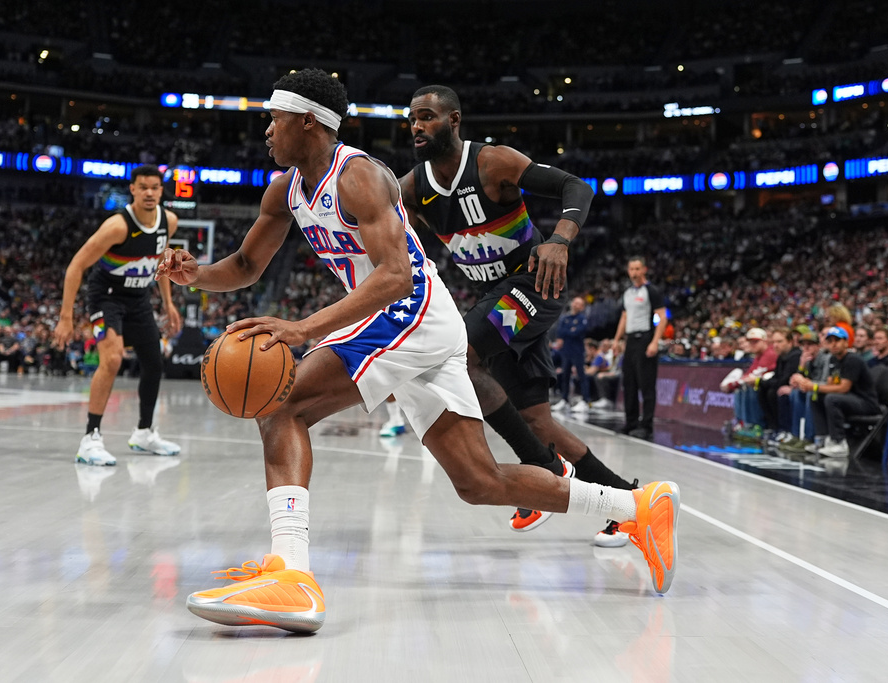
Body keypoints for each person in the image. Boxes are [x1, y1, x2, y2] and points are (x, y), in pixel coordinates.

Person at [157, 69, 680, 634]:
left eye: (275, 118)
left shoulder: (358, 176)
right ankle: (639, 509)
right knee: (478, 483)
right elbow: (245, 266)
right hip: (421, 324)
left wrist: (306, 328)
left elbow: (395, 277)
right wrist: (195, 275)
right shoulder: (285, 189)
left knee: (282, 404)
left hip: (408, 311)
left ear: (307, 121)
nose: (267, 129)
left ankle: (292, 574)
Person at [399, 85, 637, 538]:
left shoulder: (493, 162)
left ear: (454, 120)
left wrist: (560, 240)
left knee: (461, 353)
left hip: (533, 287)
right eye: (412, 118)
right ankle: (628, 502)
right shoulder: (411, 188)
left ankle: (542, 470)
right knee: (536, 420)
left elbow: (576, 186)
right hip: (493, 301)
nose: (416, 126)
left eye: (427, 116)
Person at [53, 165, 183, 466]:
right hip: (106, 298)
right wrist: (65, 316)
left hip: (138, 299)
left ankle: (145, 432)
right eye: (143, 187)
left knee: (153, 362)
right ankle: (90, 438)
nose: (149, 192)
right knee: (111, 360)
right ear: (133, 190)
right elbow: (76, 266)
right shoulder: (118, 226)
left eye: (155, 187)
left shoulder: (169, 222)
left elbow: (161, 261)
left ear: (161, 191)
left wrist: (168, 302)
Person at [790, 326, 882, 457]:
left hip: (866, 403)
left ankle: (839, 442)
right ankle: (822, 439)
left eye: (837, 340)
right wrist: (810, 386)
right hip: (848, 398)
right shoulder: (833, 359)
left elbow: (844, 388)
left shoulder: (853, 360)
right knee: (816, 397)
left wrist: (813, 386)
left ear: (846, 342)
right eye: (830, 341)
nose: (834, 344)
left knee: (831, 398)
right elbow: (830, 384)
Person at [611, 257, 666, 439]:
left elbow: (662, 317)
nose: (634, 272)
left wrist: (655, 342)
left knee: (646, 383)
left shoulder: (652, 291)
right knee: (630, 383)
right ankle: (631, 422)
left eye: (637, 269)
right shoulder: (627, 293)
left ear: (644, 270)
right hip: (630, 341)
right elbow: (624, 317)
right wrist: (617, 340)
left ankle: (647, 425)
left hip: (645, 337)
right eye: (631, 269)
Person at [552, 297, 590, 413]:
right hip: (566, 351)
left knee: (581, 375)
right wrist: (571, 331)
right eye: (575, 302)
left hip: (577, 351)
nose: (576, 305)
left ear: (582, 307)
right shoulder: (564, 318)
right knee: (565, 376)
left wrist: (568, 332)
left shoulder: (582, 318)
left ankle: (585, 401)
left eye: (579, 303)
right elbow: (560, 332)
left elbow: (578, 332)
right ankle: (564, 400)